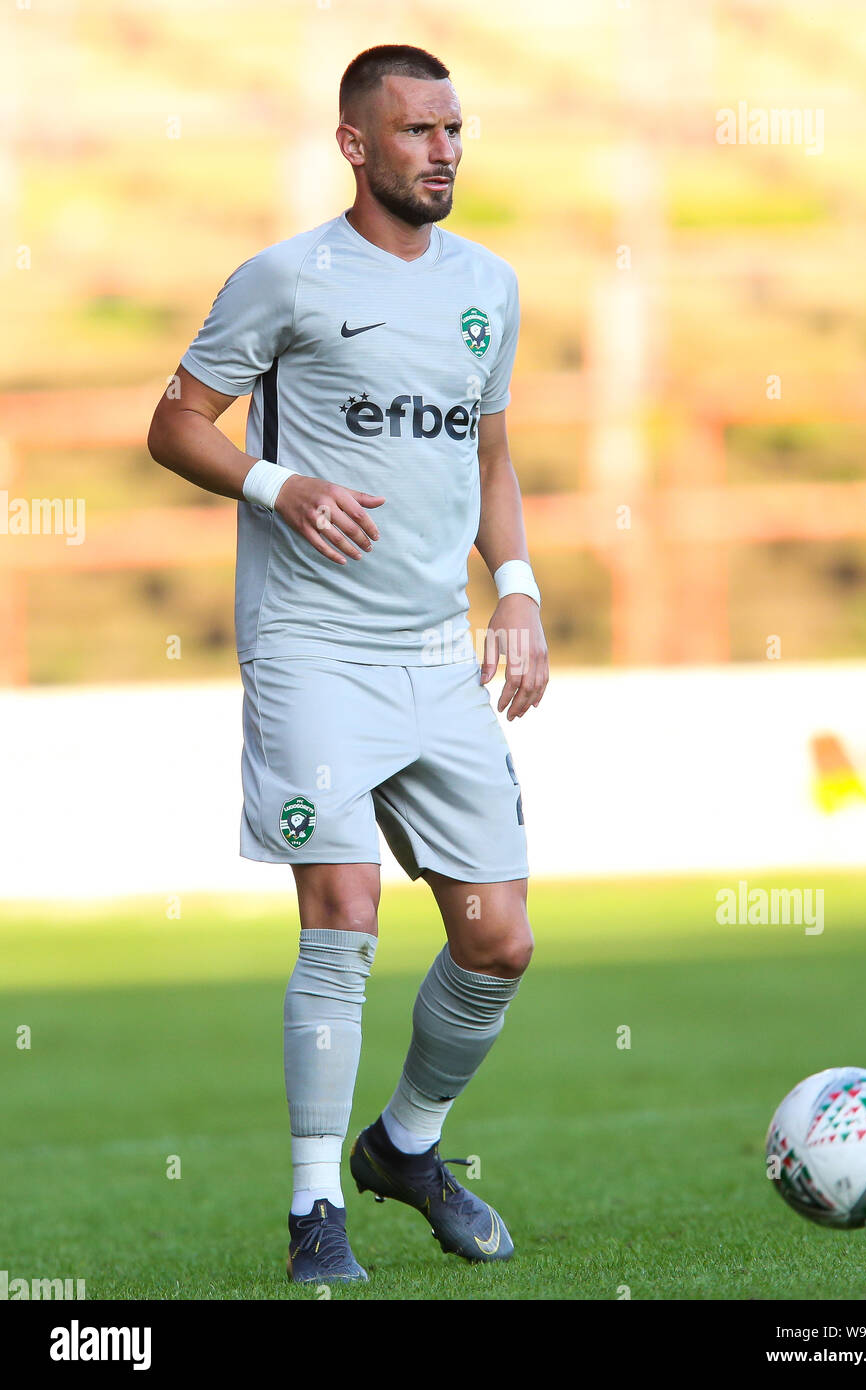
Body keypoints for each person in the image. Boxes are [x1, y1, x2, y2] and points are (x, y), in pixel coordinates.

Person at [148, 43, 549, 1284]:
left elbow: (487, 458)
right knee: (344, 913)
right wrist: (281, 484)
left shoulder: (490, 286)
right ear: (356, 145)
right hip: (313, 648)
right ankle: (314, 1209)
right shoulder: (284, 280)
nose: (443, 150)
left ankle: (407, 1148)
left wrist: (519, 592)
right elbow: (174, 423)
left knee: (499, 943)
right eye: (418, 131)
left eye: (453, 129)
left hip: (439, 655)